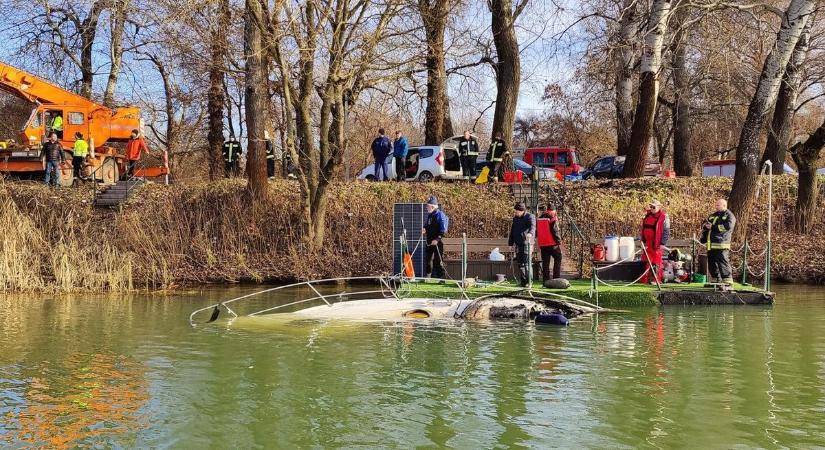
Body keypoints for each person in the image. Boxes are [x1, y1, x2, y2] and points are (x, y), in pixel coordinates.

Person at [702, 198, 736, 285]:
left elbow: (727, 227)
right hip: (711, 244)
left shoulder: (729, 215)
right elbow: (707, 226)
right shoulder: (713, 215)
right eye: (716, 205)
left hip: (722, 243)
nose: (716, 206)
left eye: (718, 205)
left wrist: (713, 227)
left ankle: (727, 280)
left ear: (724, 205)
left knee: (722, 261)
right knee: (711, 262)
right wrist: (705, 227)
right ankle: (715, 279)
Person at [640, 199, 671, 284]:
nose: (652, 208)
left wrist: (662, 243)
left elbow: (666, 231)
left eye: (653, 207)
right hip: (647, 243)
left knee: (656, 262)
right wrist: (642, 240)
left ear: (659, 207)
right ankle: (645, 279)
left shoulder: (664, 217)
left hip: (656, 243)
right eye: (651, 206)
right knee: (646, 261)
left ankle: (656, 279)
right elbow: (643, 229)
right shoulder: (647, 215)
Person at [508, 201, 536, 287]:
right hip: (518, 244)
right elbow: (513, 231)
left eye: (517, 211)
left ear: (522, 210)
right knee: (520, 264)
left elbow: (533, 227)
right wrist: (510, 244)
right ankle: (523, 282)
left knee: (527, 263)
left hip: (527, 243)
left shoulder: (530, 217)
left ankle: (529, 282)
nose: (515, 213)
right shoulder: (515, 218)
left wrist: (530, 234)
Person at [421, 195, 449, 279]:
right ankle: (428, 276)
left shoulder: (440, 215)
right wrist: (424, 229)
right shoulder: (430, 215)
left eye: (428, 206)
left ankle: (441, 278)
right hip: (429, 242)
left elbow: (443, 230)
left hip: (437, 242)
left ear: (432, 206)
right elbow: (427, 225)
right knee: (427, 260)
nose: (426, 207)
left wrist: (437, 239)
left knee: (438, 260)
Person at [536, 204, 562, 281]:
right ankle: (556, 278)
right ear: (553, 210)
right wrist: (558, 241)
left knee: (545, 263)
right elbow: (555, 231)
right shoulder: (552, 217)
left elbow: (537, 231)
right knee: (558, 258)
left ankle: (545, 280)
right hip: (552, 243)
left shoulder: (539, 218)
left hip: (543, 244)